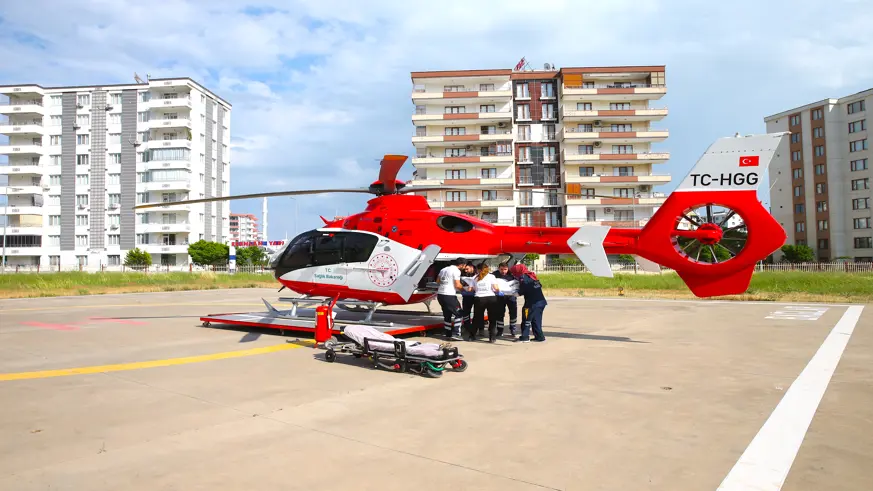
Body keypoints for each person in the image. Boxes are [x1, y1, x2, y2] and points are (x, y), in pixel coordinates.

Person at [509, 263, 547, 343]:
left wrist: (512, 293)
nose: (513, 274)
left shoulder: (524, 278)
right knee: (536, 320)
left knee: (526, 319)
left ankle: (525, 337)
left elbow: (521, 291)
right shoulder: (531, 276)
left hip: (531, 304)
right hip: (541, 302)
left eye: (513, 272)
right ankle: (540, 337)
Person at [467, 264, 501, 342]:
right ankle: (492, 337)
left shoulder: (474, 278)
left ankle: (472, 336)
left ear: (478, 269)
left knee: (476, 318)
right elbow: (496, 288)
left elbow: (470, 289)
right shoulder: (491, 276)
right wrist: (499, 291)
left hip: (479, 299)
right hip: (491, 298)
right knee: (492, 318)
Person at [436, 258, 465, 340]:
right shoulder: (456, 271)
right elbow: (457, 285)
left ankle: (448, 333)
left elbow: (437, 281)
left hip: (440, 294)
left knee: (447, 314)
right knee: (459, 313)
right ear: (462, 265)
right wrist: (465, 289)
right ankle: (456, 334)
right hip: (449, 295)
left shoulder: (443, 269)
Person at [492, 261, 518, 338]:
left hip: (511, 296)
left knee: (513, 312)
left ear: (508, 269)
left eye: (505, 269)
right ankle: (500, 330)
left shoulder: (512, 274)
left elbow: (517, 283)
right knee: (499, 313)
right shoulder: (494, 275)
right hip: (500, 297)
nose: (503, 271)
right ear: (498, 269)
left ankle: (513, 328)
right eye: (501, 269)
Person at [459, 261, 477, 338]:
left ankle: (479, 327)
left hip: (476, 296)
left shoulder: (478, 275)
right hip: (466, 296)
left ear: (472, 267)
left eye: (467, 269)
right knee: (466, 312)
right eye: (465, 269)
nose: (465, 271)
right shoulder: (462, 275)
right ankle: (467, 326)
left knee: (478, 312)